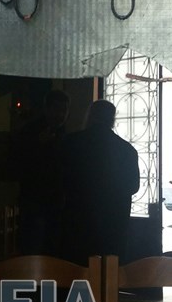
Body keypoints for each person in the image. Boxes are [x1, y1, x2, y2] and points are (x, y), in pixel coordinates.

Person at [59, 99, 140, 265]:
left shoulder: (70, 143)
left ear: (90, 116)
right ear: (112, 119)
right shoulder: (127, 149)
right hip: (114, 222)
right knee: (110, 270)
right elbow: (133, 186)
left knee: (78, 268)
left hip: (78, 219)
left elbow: (60, 179)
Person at [14, 89, 70, 255]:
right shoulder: (31, 132)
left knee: (51, 247)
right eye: (57, 109)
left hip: (56, 200)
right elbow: (17, 163)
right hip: (34, 200)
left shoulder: (62, 133)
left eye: (64, 110)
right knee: (34, 247)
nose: (61, 114)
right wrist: (38, 144)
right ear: (46, 108)